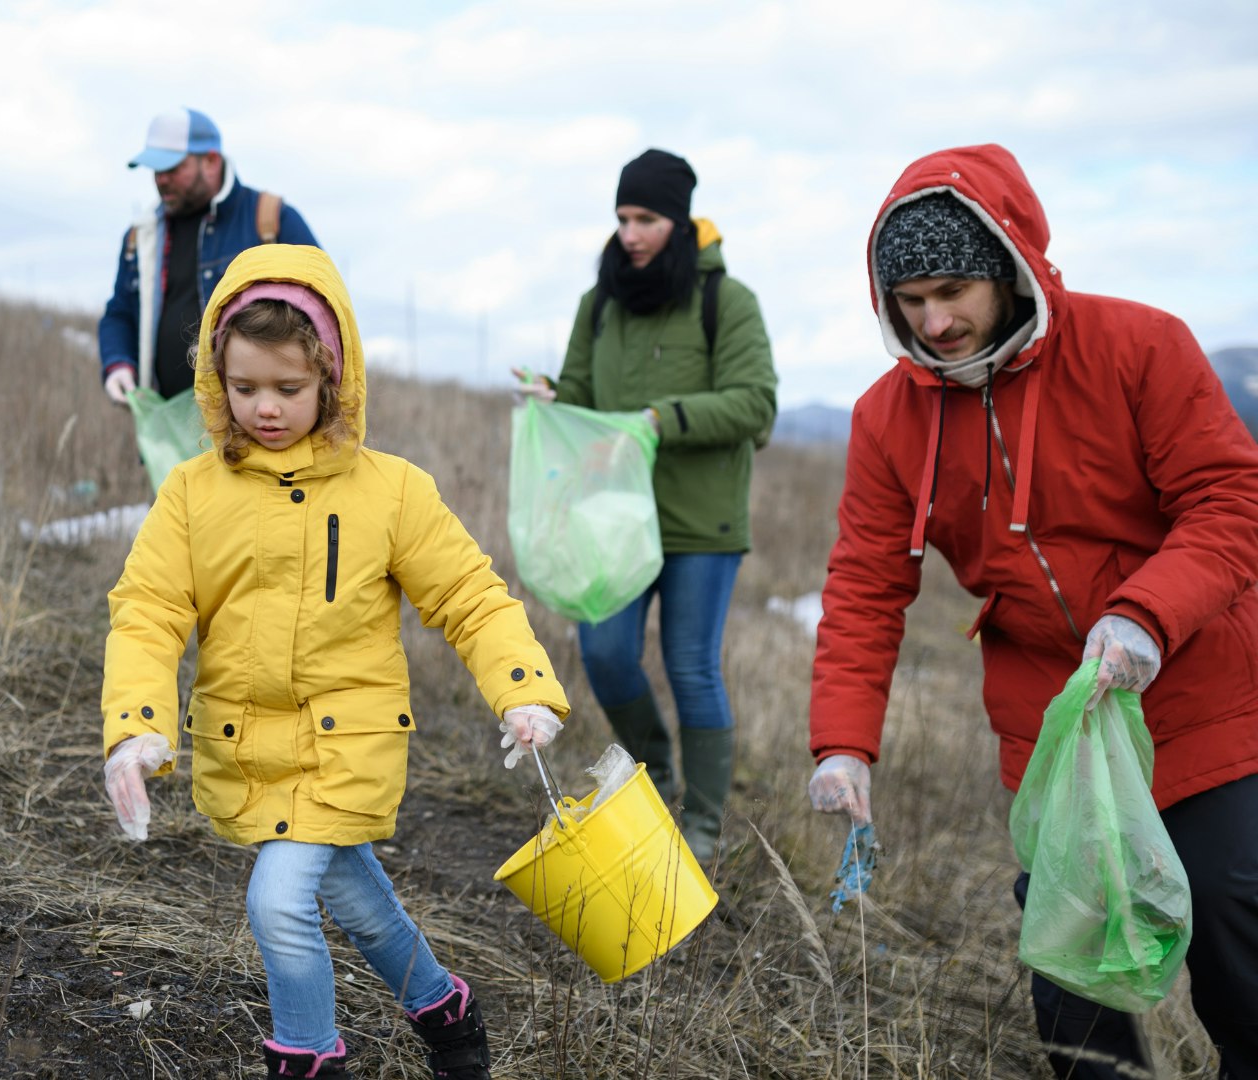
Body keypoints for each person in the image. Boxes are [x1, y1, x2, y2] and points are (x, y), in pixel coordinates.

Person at [806, 144, 1258, 1078]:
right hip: (1054, 724)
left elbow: (1230, 502)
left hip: (1203, 692)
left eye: (953, 290)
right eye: (910, 302)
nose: (935, 321)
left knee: (1228, 920)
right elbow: (863, 586)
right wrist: (842, 743)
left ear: (1009, 266)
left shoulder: (1140, 346)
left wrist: (1144, 618)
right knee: (1070, 971)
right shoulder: (887, 419)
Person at [101, 244, 568, 1080]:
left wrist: (523, 691)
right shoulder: (191, 494)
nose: (266, 409)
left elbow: (470, 596)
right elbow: (149, 612)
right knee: (355, 898)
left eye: (288, 388)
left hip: (347, 742)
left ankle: (310, 1061)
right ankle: (446, 1011)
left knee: (279, 904)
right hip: (249, 746)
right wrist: (134, 728)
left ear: (334, 378)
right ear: (216, 380)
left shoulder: (391, 491)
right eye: (244, 389)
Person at [513, 148, 777, 861]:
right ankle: (655, 773)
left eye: (647, 218)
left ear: (680, 220)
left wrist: (660, 420)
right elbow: (583, 397)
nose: (631, 233)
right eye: (623, 217)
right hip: (614, 519)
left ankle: (706, 826)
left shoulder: (729, 301)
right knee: (603, 651)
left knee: (692, 666)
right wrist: (552, 398)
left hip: (701, 521)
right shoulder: (596, 304)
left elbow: (757, 405)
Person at [98, 107, 318, 407]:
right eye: (156, 171)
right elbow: (120, 312)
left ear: (212, 161)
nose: (161, 180)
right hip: (165, 431)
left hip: (255, 426)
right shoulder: (141, 235)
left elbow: (323, 309)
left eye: (173, 169)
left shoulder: (271, 219)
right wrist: (118, 364)